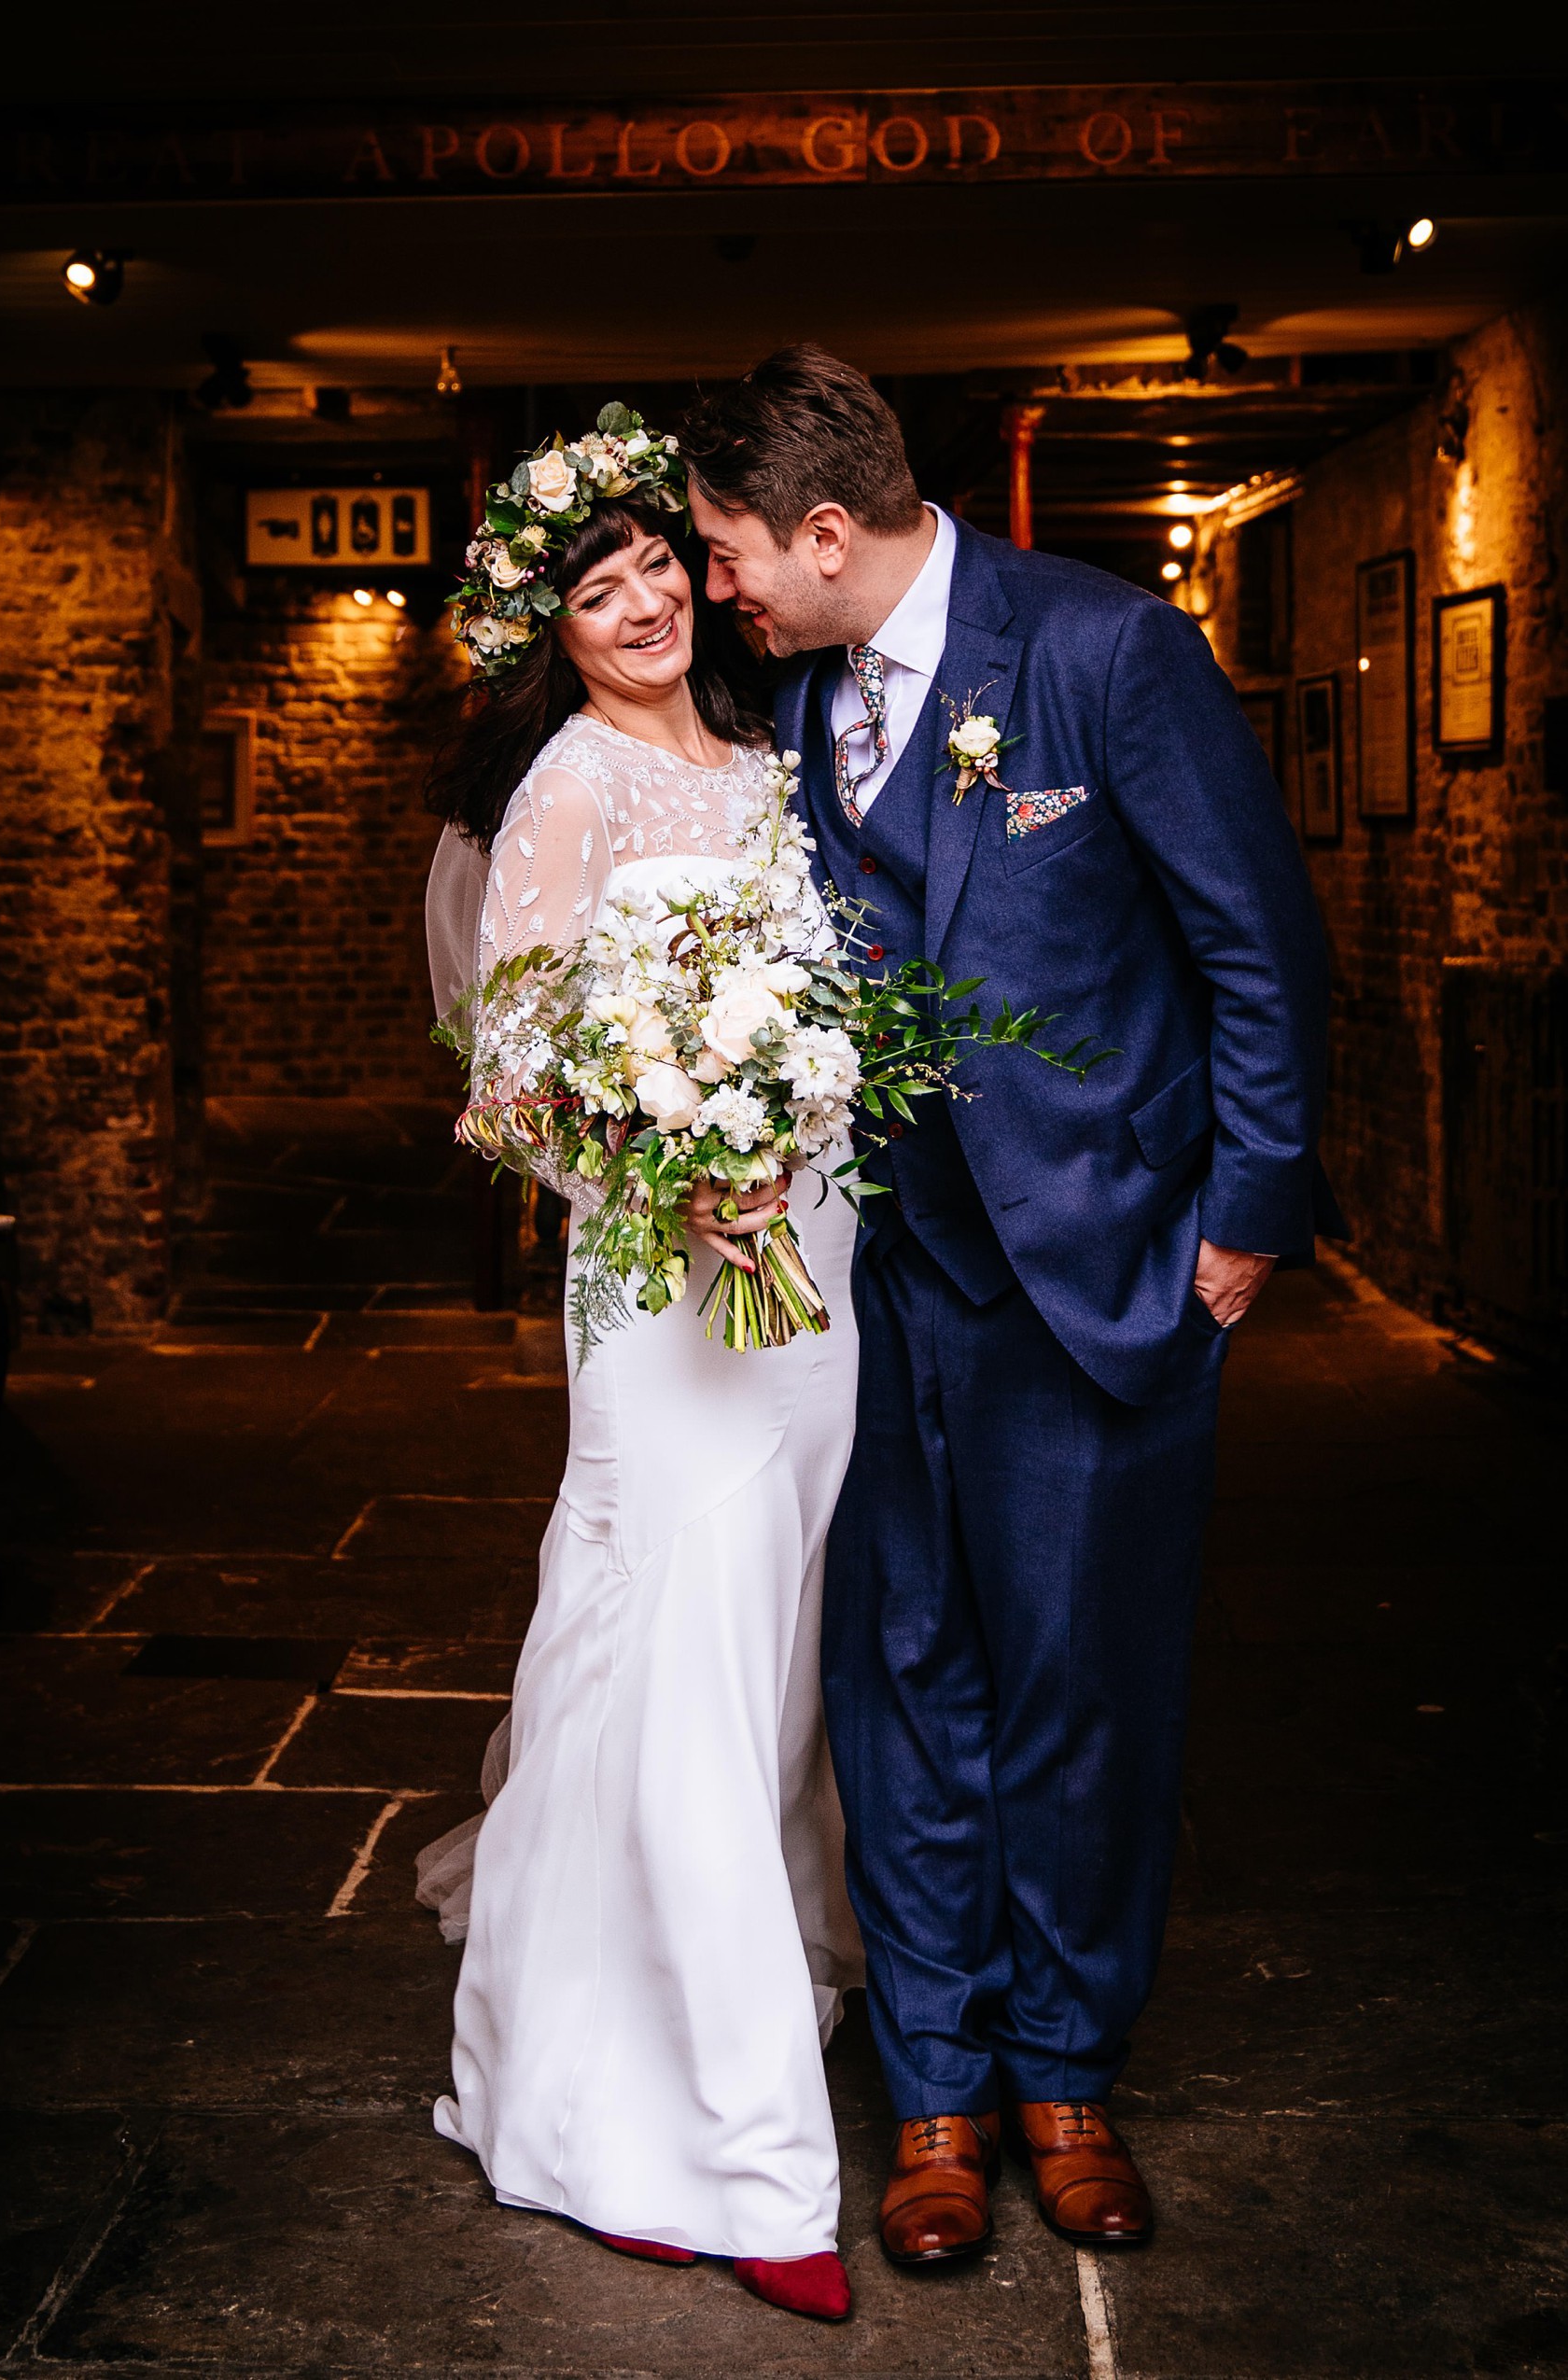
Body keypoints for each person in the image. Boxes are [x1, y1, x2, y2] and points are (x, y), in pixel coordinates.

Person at [679, 347, 1339, 2265]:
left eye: (731, 554)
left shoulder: (1102, 652)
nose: (721, 589)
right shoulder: (796, 696)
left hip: (1099, 1269)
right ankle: (937, 2095)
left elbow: (1256, 944)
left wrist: (1246, 1213)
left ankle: (1066, 2067)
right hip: (875, 1288)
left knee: (1077, 1694)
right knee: (899, 1689)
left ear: (824, 532)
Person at [417, 414, 863, 2323]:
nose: (641, 606)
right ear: (556, 633)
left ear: (697, 570)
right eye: (592, 596)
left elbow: (835, 1000)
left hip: (812, 1259)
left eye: (652, 570)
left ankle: (616, 2015)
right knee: (676, 1650)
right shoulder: (569, 791)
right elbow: (508, 1073)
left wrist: (803, 1116)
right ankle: (738, 2155)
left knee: (757, 1663)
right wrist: (671, 1170)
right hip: (662, 1272)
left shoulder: (769, 765)